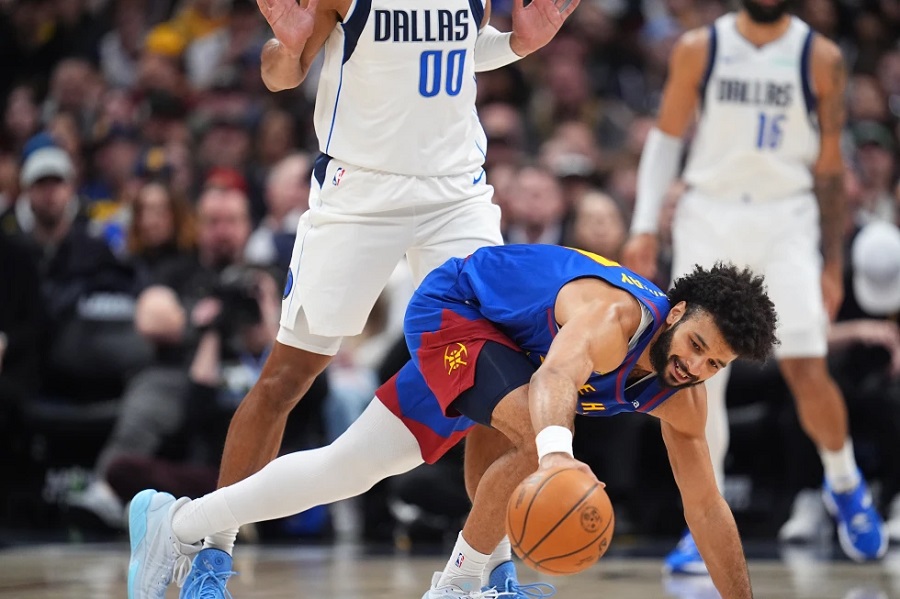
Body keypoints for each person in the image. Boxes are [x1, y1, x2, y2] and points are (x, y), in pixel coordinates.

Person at [175, 0, 580, 594]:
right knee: (286, 377)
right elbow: (279, 75)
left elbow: (456, 58)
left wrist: (517, 44)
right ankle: (210, 552)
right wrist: (287, 48)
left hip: (454, 194)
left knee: (497, 372)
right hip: (359, 193)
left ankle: (488, 570)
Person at [126, 243, 778, 599]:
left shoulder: (683, 396)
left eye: (715, 364)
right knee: (542, 438)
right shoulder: (617, 320)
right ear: (676, 312)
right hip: (457, 311)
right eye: (697, 345)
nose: (695, 367)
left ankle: (176, 521)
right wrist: (556, 457)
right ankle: (461, 586)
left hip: (508, 349)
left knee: (348, 467)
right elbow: (554, 382)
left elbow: (706, 508)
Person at [621, 0, 886, 572]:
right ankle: (705, 518)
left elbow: (830, 166)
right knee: (699, 377)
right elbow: (666, 139)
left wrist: (831, 262)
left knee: (806, 367)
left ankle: (845, 482)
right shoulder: (701, 47)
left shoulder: (819, 56)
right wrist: (644, 224)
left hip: (786, 217)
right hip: (710, 213)